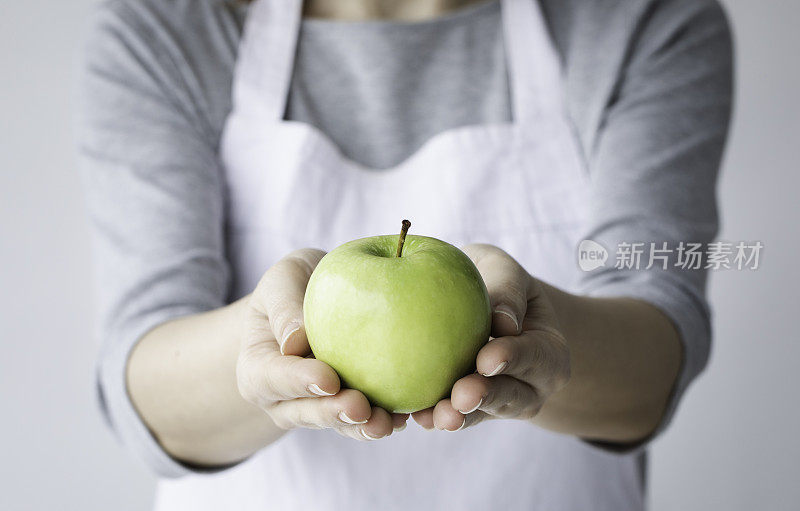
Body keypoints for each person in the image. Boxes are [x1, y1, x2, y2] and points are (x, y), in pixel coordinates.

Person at [78, 0, 732, 509]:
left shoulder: (641, 20)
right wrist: (258, 356)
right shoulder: (168, 31)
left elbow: (656, 356)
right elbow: (143, 387)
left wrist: (544, 332)